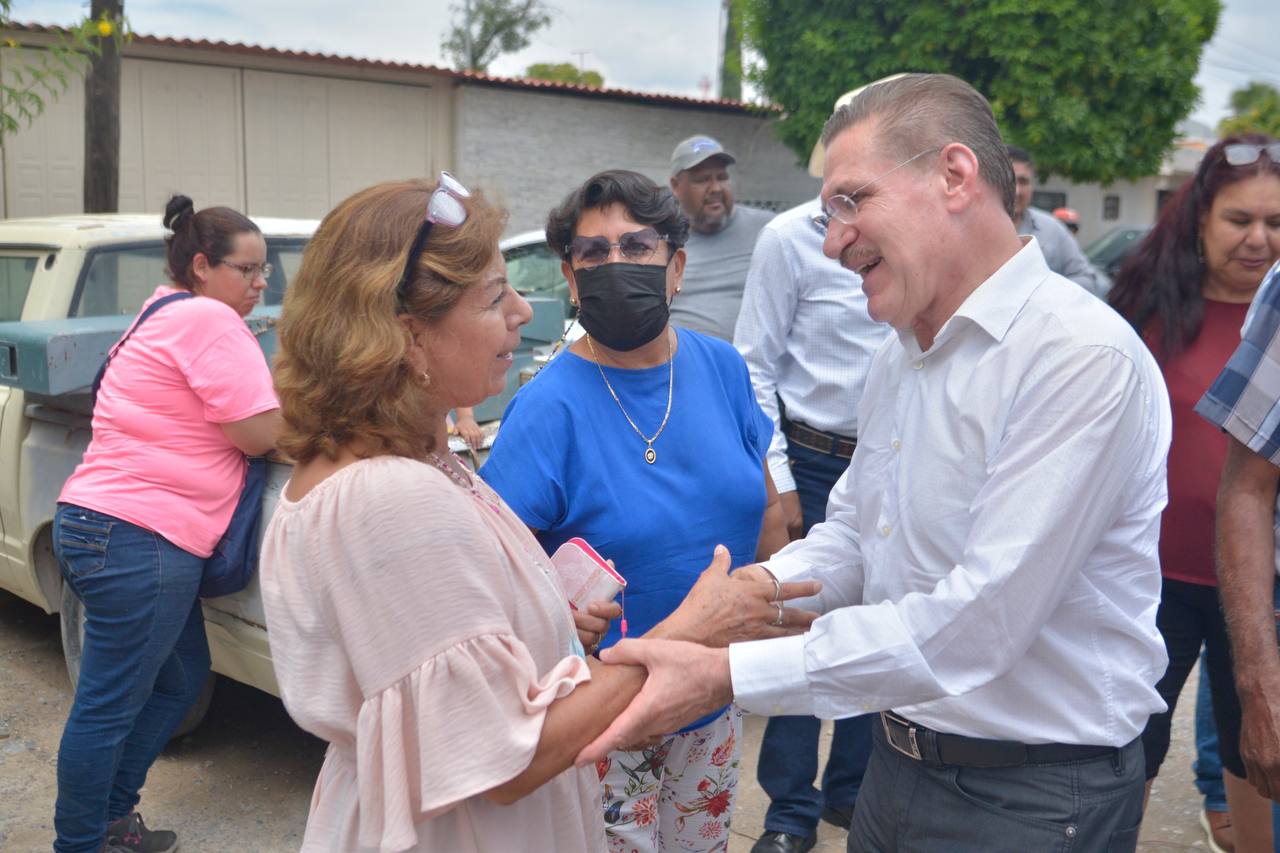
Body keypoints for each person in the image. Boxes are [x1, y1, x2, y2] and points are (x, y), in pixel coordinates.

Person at [577, 72, 1173, 853]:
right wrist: (752, 594)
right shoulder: (904, 351)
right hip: (899, 766)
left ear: (954, 176)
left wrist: (728, 674)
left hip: (1030, 794)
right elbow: (859, 534)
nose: (832, 242)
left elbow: (978, 623)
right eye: (829, 214)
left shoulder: (1077, 357)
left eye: (852, 201)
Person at [261, 175, 813, 853]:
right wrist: (689, 632)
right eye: (496, 296)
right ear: (407, 336)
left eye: (637, 246)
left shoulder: (414, 463)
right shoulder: (389, 500)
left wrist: (553, 616)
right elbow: (501, 758)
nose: (524, 311)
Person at [480, 169, 789, 851]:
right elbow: (492, 577)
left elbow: (766, 509)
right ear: (571, 278)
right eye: (593, 252)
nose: (615, 263)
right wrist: (556, 616)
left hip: (711, 702)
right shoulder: (546, 408)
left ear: (676, 267)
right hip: (603, 716)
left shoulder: (723, 369)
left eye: (637, 246)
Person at [52, 196, 282, 853]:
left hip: (103, 526)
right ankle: (81, 843)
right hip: (140, 538)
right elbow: (260, 432)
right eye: (248, 269)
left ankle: (112, 820)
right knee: (108, 705)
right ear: (203, 266)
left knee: (180, 678)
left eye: (265, 270)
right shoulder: (209, 317)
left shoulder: (162, 310)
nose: (261, 284)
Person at [1109, 133, 1280, 853]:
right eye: (1240, 219)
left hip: (1259, 589)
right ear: (1201, 218)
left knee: (1256, 749)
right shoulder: (1145, 312)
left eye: (1276, 222)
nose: (1258, 238)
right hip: (1152, 580)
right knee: (1130, 746)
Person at [733, 134, 890, 850]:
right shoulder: (788, 239)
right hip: (811, 459)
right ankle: (790, 811)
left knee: (876, 627)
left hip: (887, 458)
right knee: (798, 625)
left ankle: (850, 792)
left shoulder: (906, 242)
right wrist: (781, 480)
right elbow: (755, 364)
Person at [666, 134, 773, 341]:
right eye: (702, 179)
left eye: (722, 177)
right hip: (681, 357)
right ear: (676, 186)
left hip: (751, 358)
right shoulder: (660, 240)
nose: (716, 188)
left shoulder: (768, 230)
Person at [1007, 145, 1104, 295]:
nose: (1017, 191)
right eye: (1010, 181)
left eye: (1023, 181)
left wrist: (1045, 293)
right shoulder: (976, 228)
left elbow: (1086, 278)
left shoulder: (1052, 228)